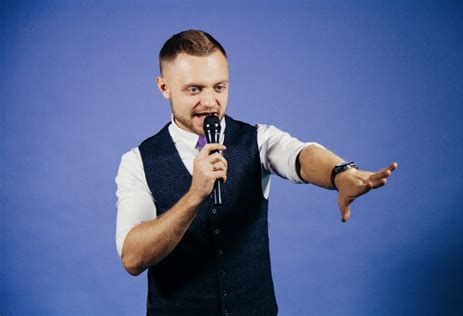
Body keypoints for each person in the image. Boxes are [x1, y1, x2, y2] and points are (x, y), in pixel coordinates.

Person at [115, 30, 397, 315]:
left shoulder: (258, 139)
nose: (211, 102)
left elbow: (300, 155)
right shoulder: (137, 161)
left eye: (220, 87)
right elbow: (132, 258)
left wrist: (340, 174)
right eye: (195, 89)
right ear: (164, 88)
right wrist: (194, 195)